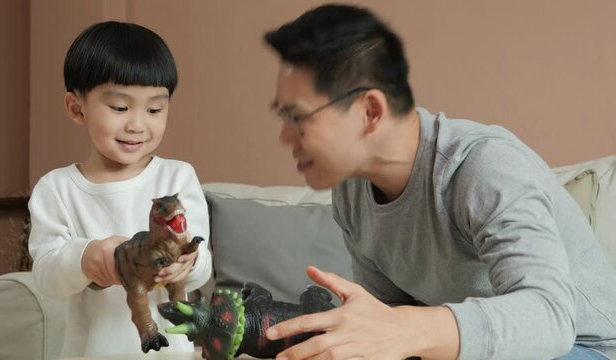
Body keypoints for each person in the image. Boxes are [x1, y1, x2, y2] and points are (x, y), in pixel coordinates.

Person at [263, 4, 616, 360]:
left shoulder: (483, 166)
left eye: (297, 117)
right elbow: (389, 329)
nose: (284, 137)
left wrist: (404, 328)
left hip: (584, 346)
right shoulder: (352, 194)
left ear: (370, 112)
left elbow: (551, 319)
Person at [28, 21, 211, 357]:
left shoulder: (177, 178)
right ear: (76, 108)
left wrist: (188, 263)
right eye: (120, 108)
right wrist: (85, 258)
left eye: (155, 109)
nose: (137, 124)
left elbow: (200, 265)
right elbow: (45, 276)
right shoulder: (56, 189)